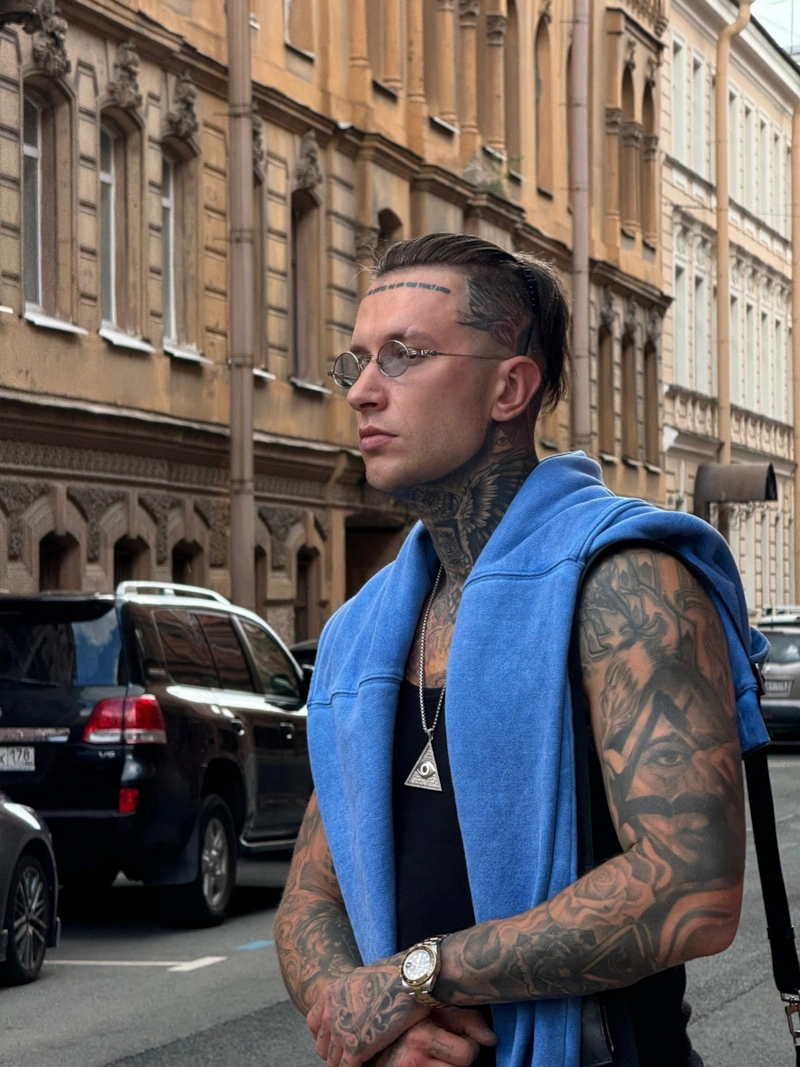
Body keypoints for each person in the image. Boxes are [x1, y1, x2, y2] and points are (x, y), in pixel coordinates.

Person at [274, 233, 769, 1067]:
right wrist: (364, 1014)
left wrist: (417, 976)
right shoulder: (364, 628)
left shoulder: (623, 582)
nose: (362, 390)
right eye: (355, 360)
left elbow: (692, 887)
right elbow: (309, 894)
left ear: (510, 387)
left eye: (403, 355)